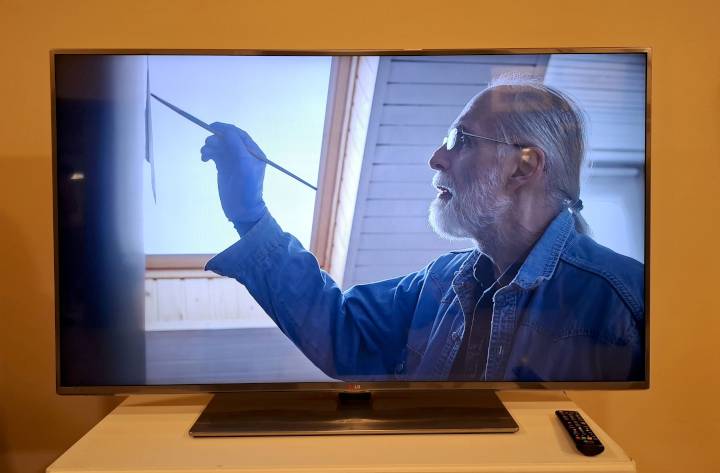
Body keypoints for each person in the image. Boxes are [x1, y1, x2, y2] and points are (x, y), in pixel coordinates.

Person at [200, 76, 645, 382]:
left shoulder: (627, 300)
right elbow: (341, 331)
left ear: (523, 166)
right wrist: (250, 213)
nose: (435, 158)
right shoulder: (437, 283)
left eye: (460, 139)